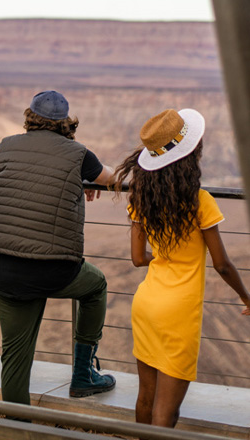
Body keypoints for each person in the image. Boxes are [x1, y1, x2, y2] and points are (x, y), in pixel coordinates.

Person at [0, 91, 117, 405]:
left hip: (8, 269)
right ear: (65, 123)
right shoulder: (80, 154)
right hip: (55, 269)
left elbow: (25, 183)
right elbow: (112, 179)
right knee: (96, 285)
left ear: (29, 116)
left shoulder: (5, 146)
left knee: (15, 359)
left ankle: (16, 427)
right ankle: (83, 375)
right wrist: (85, 181)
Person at [113, 108, 250, 428]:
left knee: (146, 395)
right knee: (166, 410)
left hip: (146, 303)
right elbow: (222, 264)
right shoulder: (199, 201)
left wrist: (163, 260)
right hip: (178, 313)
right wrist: (246, 297)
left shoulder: (141, 197)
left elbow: (137, 258)